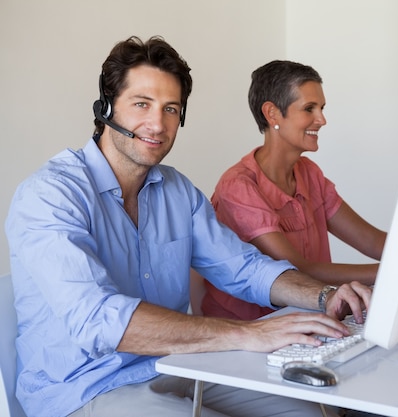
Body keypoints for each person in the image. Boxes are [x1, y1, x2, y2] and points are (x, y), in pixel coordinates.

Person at [4, 36, 371, 417]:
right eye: (142, 104)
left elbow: (244, 268)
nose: (157, 124)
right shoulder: (49, 195)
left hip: (175, 364)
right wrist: (246, 334)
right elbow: (98, 319)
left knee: (310, 412)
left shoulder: (177, 190)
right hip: (86, 388)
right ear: (106, 107)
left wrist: (327, 297)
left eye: (171, 109)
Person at [193, 60, 387, 320]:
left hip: (306, 318)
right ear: (272, 113)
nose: (322, 119)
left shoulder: (309, 173)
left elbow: (372, 241)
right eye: (309, 108)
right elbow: (298, 270)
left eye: (321, 108)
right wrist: (391, 272)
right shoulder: (238, 186)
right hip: (248, 330)